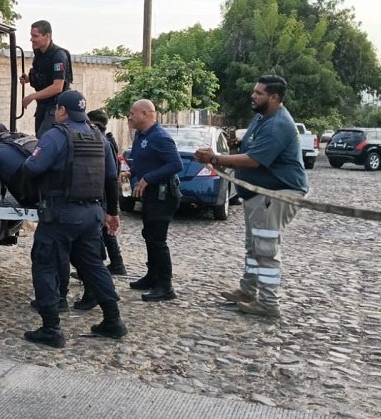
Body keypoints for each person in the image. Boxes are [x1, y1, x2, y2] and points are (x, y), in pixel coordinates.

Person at [193, 75, 308, 318]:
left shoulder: (277, 125)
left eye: (259, 93)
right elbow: (247, 149)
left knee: (265, 249)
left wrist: (215, 158)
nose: (253, 96)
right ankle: (248, 291)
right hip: (258, 195)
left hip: (275, 194)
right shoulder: (262, 118)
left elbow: (254, 160)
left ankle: (268, 302)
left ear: (275, 98)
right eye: (254, 91)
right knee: (254, 246)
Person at [21, 89, 126, 348]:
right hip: (91, 214)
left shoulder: (55, 135)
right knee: (93, 264)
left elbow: (32, 167)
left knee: (45, 264)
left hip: (60, 214)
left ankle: (51, 328)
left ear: (62, 111)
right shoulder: (99, 136)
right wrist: (112, 212)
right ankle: (113, 320)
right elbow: (111, 178)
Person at [0, 122, 71, 313]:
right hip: (57, 197)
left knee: (44, 255)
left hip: (36, 199)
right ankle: (65, 297)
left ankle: (53, 306)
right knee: (67, 252)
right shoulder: (25, 139)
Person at [125, 99, 184, 302]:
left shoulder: (160, 137)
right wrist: (131, 173)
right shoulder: (141, 135)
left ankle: (165, 286)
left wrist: (148, 178)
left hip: (163, 195)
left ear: (145, 113)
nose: (129, 117)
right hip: (149, 195)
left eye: (132, 113)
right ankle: (152, 276)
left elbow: (175, 164)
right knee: (149, 235)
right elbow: (144, 162)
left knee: (158, 240)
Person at [86, 109, 127, 277]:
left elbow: (109, 175)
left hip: (102, 192)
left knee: (104, 229)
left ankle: (105, 265)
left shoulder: (104, 142)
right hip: (104, 191)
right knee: (105, 229)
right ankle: (115, 263)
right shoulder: (108, 140)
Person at [19, 20, 73, 136]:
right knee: (39, 137)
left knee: (46, 138)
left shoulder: (58, 56)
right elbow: (44, 77)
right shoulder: (39, 54)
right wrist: (29, 79)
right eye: (31, 36)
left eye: (35, 36)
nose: (32, 39)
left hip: (55, 107)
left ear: (47, 36)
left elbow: (57, 87)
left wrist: (32, 96)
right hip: (43, 105)